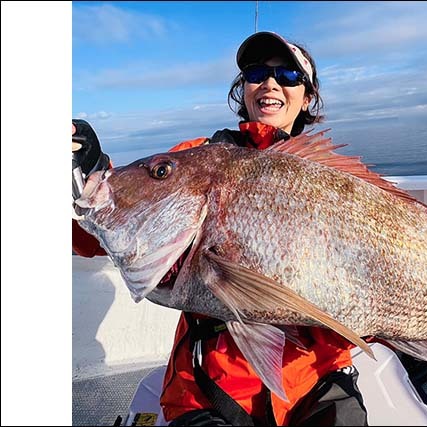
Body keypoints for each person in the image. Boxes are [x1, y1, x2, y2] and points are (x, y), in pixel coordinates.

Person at [72, 31, 371, 426]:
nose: (270, 83)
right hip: (208, 385)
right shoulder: (193, 160)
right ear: (242, 88)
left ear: (308, 96)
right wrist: (87, 174)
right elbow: (96, 235)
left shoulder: (344, 180)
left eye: (288, 75)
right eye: (256, 72)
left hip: (318, 377)